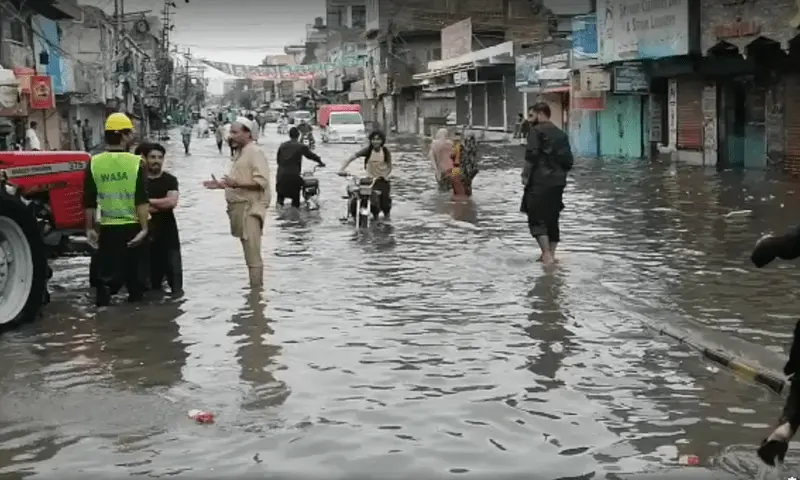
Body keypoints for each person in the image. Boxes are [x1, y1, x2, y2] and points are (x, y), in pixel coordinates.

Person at [83, 112, 149, 306]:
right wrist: (144, 229)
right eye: (130, 133)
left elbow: (89, 201)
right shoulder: (137, 163)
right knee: (136, 282)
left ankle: (104, 325)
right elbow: (141, 199)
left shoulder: (93, 162)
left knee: (105, 281)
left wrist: (89, 229)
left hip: (107, 228)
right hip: (133, 227)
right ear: (124, 135)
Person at [203, 119, 271, 287]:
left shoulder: (254, 151)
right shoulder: (240, 153)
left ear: (248, 133)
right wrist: (222, 185)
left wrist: (236, 184)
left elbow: (262, 182)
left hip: (250, 209)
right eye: (230, 132)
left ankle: (256, 298)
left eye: (235, 132)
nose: (230, 136)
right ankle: (254, 295)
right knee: (248, 254)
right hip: (238, 210)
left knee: (253, 255)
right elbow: (240, 181)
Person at [520, 102, 573, 267]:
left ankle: (547, 255)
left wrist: (525, 175)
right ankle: (550, 254)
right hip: (558, 182)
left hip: (540, 181)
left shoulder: (536, 131)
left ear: (540, 113)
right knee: (552, 216)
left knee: (536, 216)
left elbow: (531, 155)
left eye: (531, 115)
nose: (529, 120)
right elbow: (568, 161)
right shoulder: (561, 134)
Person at [141, 142, 183, 295]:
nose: (156, 160)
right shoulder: (138, 180)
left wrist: (146, 202)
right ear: (144, 158)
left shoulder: (170, 180)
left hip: (168, 233)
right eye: (152, 157)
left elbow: (171, 202)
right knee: (149, 280)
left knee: (175, 277)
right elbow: (133, 206)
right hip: (145, 234)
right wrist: (160, 203)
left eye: (160, 157)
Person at [338, 130, 392, 220]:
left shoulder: (386, 151)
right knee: (361, 197)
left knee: (384, 204)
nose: (376, 142)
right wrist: (341, 169)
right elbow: (352, 157)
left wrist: (385, 175)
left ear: (382, 141)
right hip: (369, 180)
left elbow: (389, 167)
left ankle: (386, 221)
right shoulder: (368, 150)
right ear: (370, 140)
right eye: (373, 139)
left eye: (378, 139)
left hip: (382, 180)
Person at [276, 127, 325, 208]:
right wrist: (320, 162)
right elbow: (311, 156)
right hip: (294, 177)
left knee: (280, 200)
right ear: (298, 135)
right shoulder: (301, 146)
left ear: (289, 135)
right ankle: (295, 217)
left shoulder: (282, 146)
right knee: (295, 202)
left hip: (281, 176)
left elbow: (278, 161)